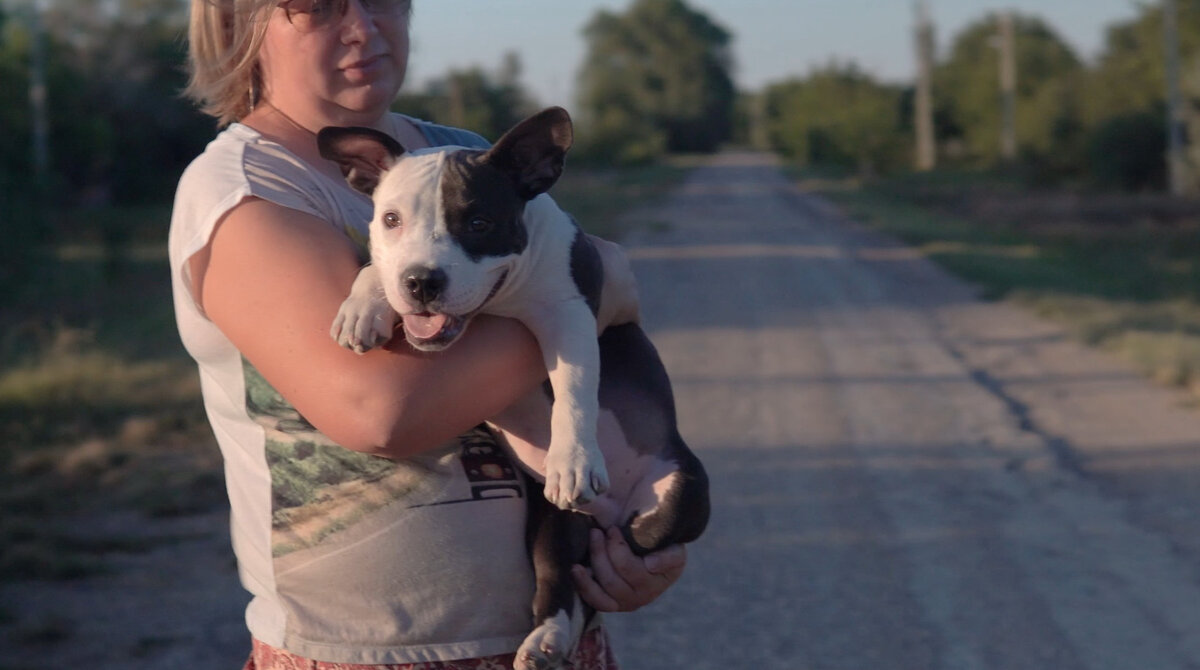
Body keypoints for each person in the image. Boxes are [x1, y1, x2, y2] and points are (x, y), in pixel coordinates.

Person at [168, 0, 687, 668]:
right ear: (239, 23)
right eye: (318, 7)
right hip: (367, 655)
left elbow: (592, 381)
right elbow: (383, 413)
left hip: (549, 644)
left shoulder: (466, 155)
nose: (363, 26)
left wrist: (629, 554)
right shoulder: (249, 191)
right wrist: (596, 290)